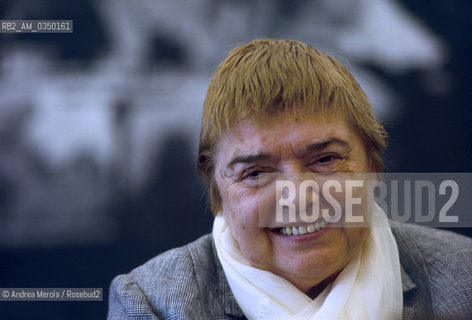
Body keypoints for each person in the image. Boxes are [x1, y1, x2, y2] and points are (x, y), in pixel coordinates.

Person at [108, 39, 472, 319]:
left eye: (326, 160)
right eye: (256, 173)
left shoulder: (463, 276)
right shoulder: (153, 302)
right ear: (216, 191)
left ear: (373, 167)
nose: (297, 196)